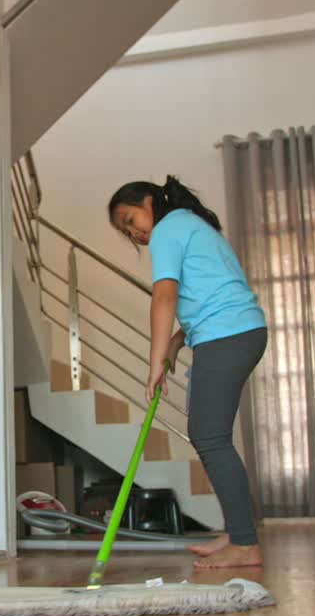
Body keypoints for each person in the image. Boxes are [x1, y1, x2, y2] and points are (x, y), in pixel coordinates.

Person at [108, 176, 268, 569]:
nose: (135, 233)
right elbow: (215, 291)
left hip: (226, 336)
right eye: (126, 230)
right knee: (211, 435)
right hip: (238, 331)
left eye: (131, 220)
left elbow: (165, 296)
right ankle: (236, 533)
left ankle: (245, 544)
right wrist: (179, 340)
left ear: (149, 201)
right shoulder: (191, 224)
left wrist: (153, 362)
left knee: (209, 436)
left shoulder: (167, 230)